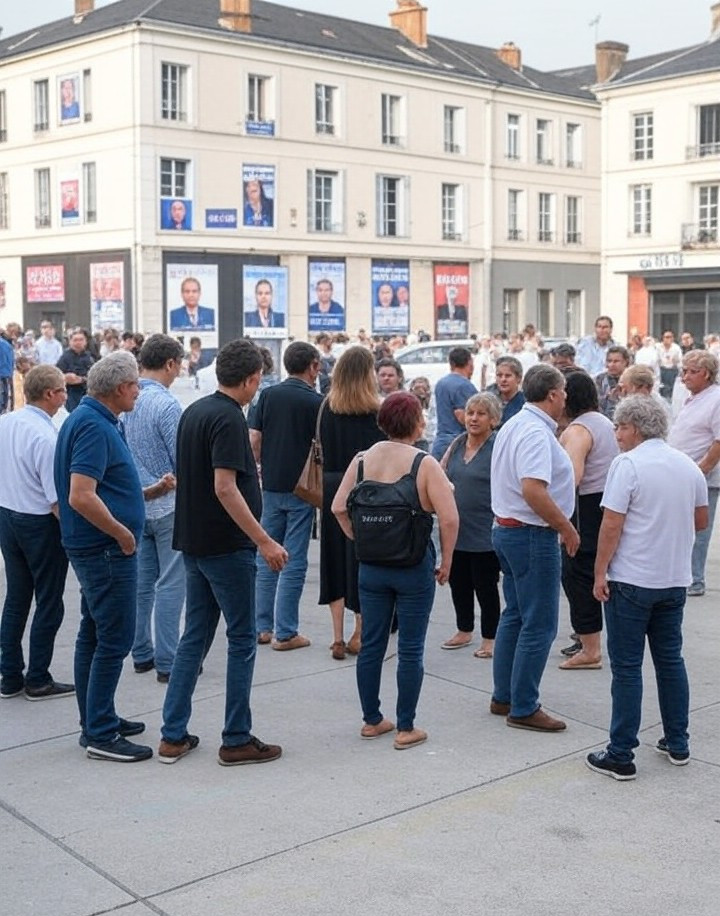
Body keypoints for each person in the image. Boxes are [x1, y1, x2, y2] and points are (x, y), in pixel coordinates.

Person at [158, 339, 287, 766]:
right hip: (224, 547)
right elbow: (224, 485)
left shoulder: (196, 410)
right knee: (242, 639)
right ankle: (236, 737)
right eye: (258, 381)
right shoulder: (229, 418)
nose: (257, 388)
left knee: (195, 635)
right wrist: (263, 540)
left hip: (195, 541)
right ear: (250, 379)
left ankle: (173, 733)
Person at [54, 351, 174, 761]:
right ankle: (101, 733)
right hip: (104, 549)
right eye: (136, 386)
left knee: (95, 632)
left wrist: (145, 495)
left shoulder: (93, 420)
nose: (139, 393)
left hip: (97, 546)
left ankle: (97, 718)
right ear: (121, 388)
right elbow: (81, 495)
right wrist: (123, 534)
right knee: (114, 638)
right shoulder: (92, 426)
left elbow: (102, 489)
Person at [587, 396, 708, 780]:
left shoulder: (627, 465)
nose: (617, 434)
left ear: (634, 429)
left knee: (626, 668)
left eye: (620, 427)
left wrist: (599, 572)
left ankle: (621, 753)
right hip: (672, 579)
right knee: (671, 661)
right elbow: (701, 520)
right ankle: (678, 740)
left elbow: (611, 524)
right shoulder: (687, 465)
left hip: (632, 579)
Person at [332, 391, 458, 750]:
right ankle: (406, 726)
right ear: (417, 423)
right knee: (411, 648)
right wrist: (446, 560)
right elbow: (449, 518)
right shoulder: (424, 464)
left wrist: (361, 538)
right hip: (413, 565)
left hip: (371, 566)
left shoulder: (361, 461)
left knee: (372, 644)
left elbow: (339, 507)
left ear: (382, 422)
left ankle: (372, 720)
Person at [490, 363, 578, 732]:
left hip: (511, 530)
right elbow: (533, 488)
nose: (566, 399)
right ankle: (523, 705)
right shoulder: (534, 432)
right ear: (554, 395)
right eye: (564, 393)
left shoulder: (518, 423)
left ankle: (505, 695)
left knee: (516, 614)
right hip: (530, 533)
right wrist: (566, 527)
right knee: (539, 622)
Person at [0, 366, 72, 700]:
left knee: (16, 597)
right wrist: (72, 534)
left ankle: (10, 674)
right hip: (38, 522)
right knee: (48, 599)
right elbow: (57, 500)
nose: (65, 395)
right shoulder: (46, 437)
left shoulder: (6, 422)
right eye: (62, 390)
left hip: (8, 514)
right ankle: (39, 677)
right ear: (49, 394)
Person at [249, 342, 323, 651]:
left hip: (272, 485)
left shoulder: (267, 395)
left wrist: (262, 466)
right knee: (293, 560)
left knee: (266, 554)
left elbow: (254, 438)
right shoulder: (317, 402)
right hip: (302, 488)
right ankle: (286, 631)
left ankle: (261, 626)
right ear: (313, 366)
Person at [123, 335, 185, 684]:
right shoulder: (167, 405)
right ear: (170, 364)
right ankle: (168, 658)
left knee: (143, 583)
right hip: (168, 503)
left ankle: (141, 651)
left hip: (137, 504)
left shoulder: (126, 398)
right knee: (171, 583)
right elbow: (182, 459)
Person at [319, 347, 386, 657]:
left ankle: (336, 636)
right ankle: (360, 630)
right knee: (360, 559)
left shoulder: (325, 407)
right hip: (364, 488)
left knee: (332, 559)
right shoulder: (375, 411)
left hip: (331, 486)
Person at [557, 370, 618, 669]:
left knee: (577, 574)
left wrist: (557, 518)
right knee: (596, 572)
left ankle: (590, 648)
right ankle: (586, 637)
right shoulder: (604, 422)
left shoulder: (578, 430)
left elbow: (572, 477)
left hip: (585, 509)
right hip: (606, 503)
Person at [440, 393, 502, 659]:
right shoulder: (457, 443)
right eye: (470, 413)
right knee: (459, 581)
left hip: (486, 529)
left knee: (485, 585)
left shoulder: (498, 446)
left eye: (481, 414)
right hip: (456, 528)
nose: (474, 418)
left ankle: (490, 637)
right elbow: (441, 473)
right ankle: (464, 629)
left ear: (493, 419)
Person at [667, 350, 720, 597]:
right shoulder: (693, 397)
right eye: (683, 371)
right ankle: (682, 574)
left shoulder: (716, 398)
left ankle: (695, 579)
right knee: (681, 527)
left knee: (699, 529)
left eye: (691, 372)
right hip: (682, 473)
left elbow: (718, 442)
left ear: (706, 374)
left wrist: (701, 470)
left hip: (702, 477)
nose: (685, 376)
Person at [430, 347, 476, 460]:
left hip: (440, 442)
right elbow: (461, 415)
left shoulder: (441, 383)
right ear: (469, 363)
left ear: (451, 363)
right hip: (457, 444)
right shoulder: (464, 385)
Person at [56, 328, 95, 412]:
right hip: (70, 395)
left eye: (81, 340)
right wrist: (65, 377)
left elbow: (95, 377)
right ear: (70, 342)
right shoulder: (65, 357)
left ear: (85, 342)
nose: (78, 342)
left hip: (86, 393)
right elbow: (56, 374)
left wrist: (81, 379)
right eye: (75, 340)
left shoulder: (90, 357)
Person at [486, 355, 525, 427]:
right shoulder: (487, 399)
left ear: (519, 378)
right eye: (499, 375)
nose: (503, 379)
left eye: (508, 376)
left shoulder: (525, 404)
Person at [595, 345, 630, 421]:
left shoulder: (632, 380)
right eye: (609, 361)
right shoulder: (600, 380)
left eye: (616, 361)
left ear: (626, 362)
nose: (611, 365)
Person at [658, 330, 682, 401]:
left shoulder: (676, 348)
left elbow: (680, 360)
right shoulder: (658, 347)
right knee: (662, 388)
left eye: (670, 337)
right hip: (662, 370)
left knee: (672, 389)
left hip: (672, 371)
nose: (668, 339)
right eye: (666, 337)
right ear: (663, 338)